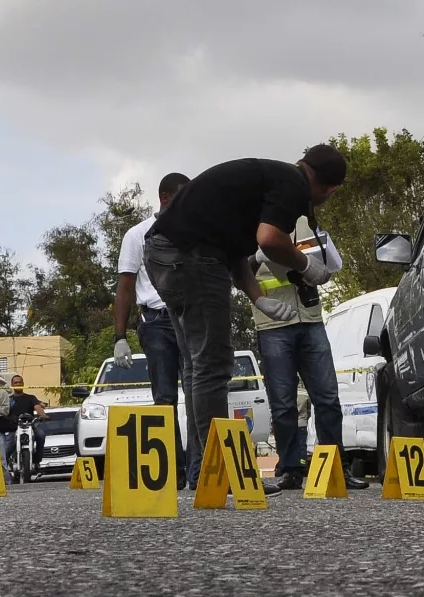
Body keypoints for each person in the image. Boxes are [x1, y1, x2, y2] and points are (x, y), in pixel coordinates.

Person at [144, 144, 347, 496]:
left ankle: (205, 474)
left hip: (165, 253)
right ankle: (222, 472)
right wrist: (306, 265)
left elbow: (236, 254)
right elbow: (270, 241)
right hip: (191, 258)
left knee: (195, 365)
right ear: (330, 188)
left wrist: (259, 299)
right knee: (212, 365)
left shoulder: (260, 184)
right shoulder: (293, 184)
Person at [250, 216, 369, 490]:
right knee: (283, 404)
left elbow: (329, 264)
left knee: (327, 397)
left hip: (312, 319)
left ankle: (335, 468)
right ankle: (290, 469)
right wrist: (257, 256)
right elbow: (239, 272)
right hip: (273, 324)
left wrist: (319, 264)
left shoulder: (307, 222)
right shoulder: (252, 226)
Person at [113, 172, 193, 490]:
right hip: (156, 321)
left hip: (190, 317)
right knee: (164, 398)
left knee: (199, 391)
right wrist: (119, 337)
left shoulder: (194, 231)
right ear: (165, 198)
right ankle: (173, 472)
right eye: (184, 199)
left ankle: (200, 469)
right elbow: (125, 286)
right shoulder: (137, 235)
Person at [6, 374, 48, 467]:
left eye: (20, 382)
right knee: (6, 449)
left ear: (23, 384)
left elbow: (37, 407)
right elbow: (5, 411)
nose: (18, 384)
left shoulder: (31, 397)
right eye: (16, 382)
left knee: (41, 435)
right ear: (12, 384)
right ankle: (5, 466)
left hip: (30, 426)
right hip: (14, 428)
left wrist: (43, 415)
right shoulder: (9, 399)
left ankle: (37, 461)